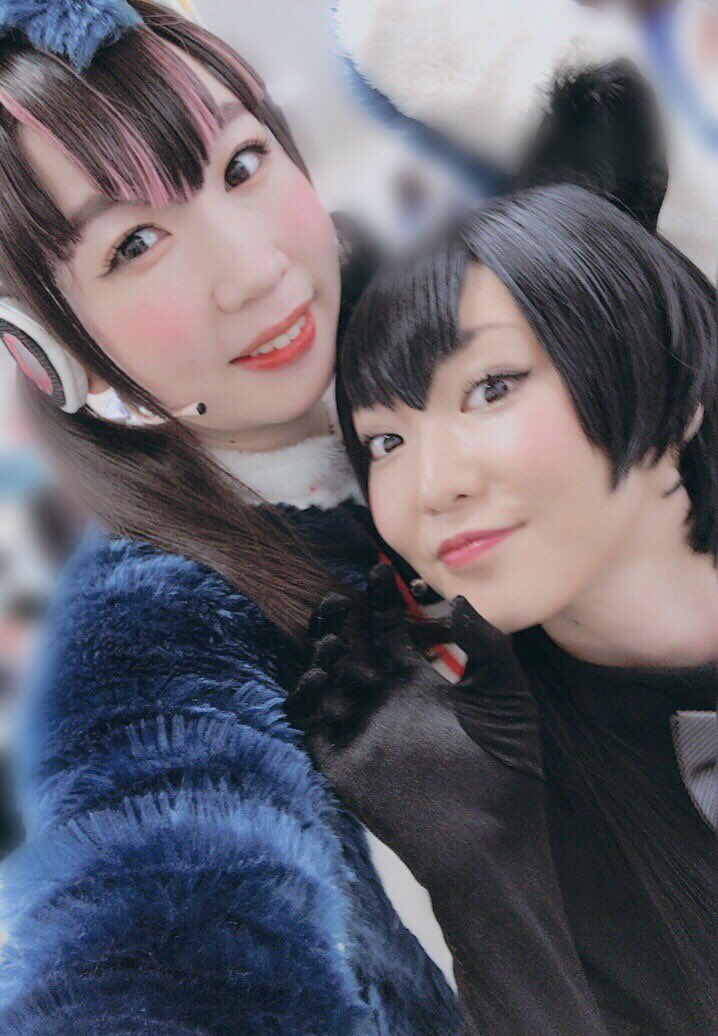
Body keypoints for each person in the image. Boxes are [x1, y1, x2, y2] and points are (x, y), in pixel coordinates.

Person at [0, 1, 464, 1031]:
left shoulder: (490, 318)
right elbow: (156, 904)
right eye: (134, 244)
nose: (255, 269)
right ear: (51, 352)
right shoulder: (146, 630)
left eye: (241, 164)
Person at [291, 184, 717, 1035]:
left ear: (670, 386)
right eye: (386, 441)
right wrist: (480, 876)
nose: (433, 485)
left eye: (490, 388)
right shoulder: (506, 793)